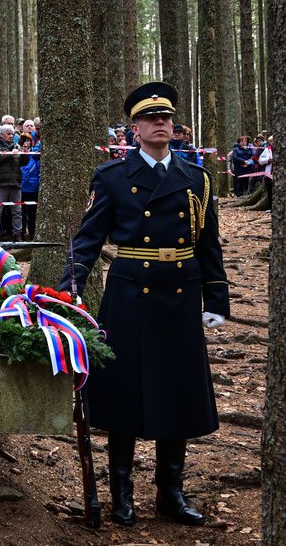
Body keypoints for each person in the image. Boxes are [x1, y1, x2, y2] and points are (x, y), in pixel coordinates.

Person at [60, 81, 228, 527]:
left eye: (167, 118)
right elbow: (87, 240)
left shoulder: (197, 178)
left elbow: (209, 245)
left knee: (177, 391)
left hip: (180, 293)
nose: (161, 124)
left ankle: (171, 493)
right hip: (131, 293)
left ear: (174, 127)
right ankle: (121, 494)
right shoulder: (112, 177)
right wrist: (67, 291)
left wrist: (217, 297)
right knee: (126, 394)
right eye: (151, 119)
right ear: (134, 128)